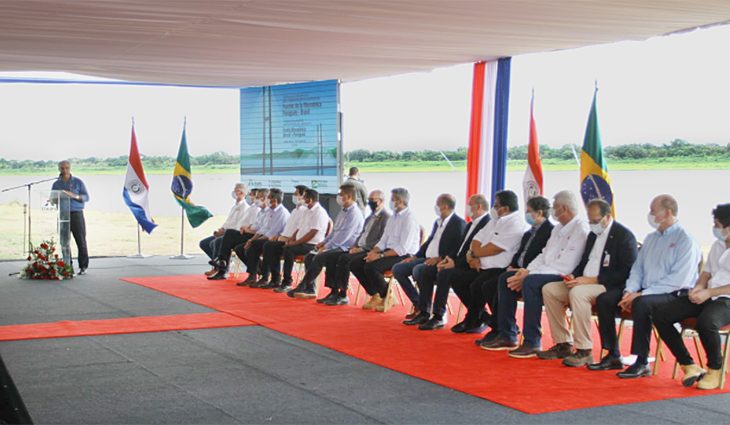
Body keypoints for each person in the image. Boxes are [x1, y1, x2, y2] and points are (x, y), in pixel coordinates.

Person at [483, 190, 589, 358]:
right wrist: (526, 270)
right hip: (544, 271)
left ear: (564, 208)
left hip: (564, 275)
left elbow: (566, 265)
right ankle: (507, 334)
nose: (552, 210)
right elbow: (544, 254)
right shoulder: (558, 228)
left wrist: (529, 275)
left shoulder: (580, 229)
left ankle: (532, 341)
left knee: (530, 282)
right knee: (505, 279)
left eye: (555, 207)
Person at [539, 199, 638, 367]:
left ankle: (584, 350)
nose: (592, 224)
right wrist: (574, 275)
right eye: (590, 221)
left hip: (607, 285)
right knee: (550, 290)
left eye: (595, 221)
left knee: (578, 293)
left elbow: (626, 272)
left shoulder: (623, 236)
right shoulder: (593, 235)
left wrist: (593, 280)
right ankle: (563, 343)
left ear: (607, 216)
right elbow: (584, 261)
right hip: (584, 281)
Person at [613, 195, 702, 378]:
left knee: (642, 304)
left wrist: (642, 294)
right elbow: (638, 268)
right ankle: (611, 354)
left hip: (675, 293)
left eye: (653, 211)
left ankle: (641, 361)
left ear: (667, 213)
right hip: (648, 292)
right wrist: (630, 291)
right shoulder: (651, 238)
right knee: (617, 300)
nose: (650, 215)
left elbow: (678, 279)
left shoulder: (685, 239)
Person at [653, 203, 730, 389]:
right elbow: (707, 272)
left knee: (707, 322)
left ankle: (715, 370)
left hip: (726, 299)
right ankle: (688, 365)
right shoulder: (718, 245)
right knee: (661, 314)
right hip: (707, 294)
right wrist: (698, 288)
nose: (714, 228)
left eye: (718, 225)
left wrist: (709, 292)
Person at [446, 190, 527, 333]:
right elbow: (476, 239)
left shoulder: (515, 223)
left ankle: (484, 322)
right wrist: (472, 256)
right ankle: (483, 318)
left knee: (479, 285)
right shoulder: (495, 221)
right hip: (480, 266)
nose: (493, 208)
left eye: (496, 205)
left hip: (499, 268)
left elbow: (494, 248)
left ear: (505, 208)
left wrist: (473, 254)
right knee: (456, 277)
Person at [407, 194, 490, 329]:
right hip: (458, 261)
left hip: (473, 265)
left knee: (446, 274)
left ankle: (439, 315)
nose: (467, 208)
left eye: (469, 205)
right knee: (426, 271)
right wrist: (448, 259)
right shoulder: (471, 224)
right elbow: (460, 248)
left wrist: (454, 263)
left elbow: (478, 251)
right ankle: (424, 312)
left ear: (479, 206)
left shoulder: (487, 224)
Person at [391, 193, 465, 325]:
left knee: (420, 270)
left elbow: (458, 248)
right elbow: (429, 241)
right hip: (426, 258)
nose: (435, 207)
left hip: (442, 261)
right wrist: (415, 256)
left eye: (438, 205)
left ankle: (427, 311)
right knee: (398, 269)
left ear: (445, 206)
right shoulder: (438, 222)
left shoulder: (458, 223)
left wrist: (440, 258)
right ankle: (419, 304)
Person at [351, 187, 420, 312]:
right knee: (355, 263)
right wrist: (374, 251)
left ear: (400, 201)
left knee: (371, 267)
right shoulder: (393, 217)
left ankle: (387, 295)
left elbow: (402, 248)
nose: (391, 202)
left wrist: (380, 256)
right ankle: (375, 294)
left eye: (393, 199)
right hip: (389, 251)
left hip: (404, 255)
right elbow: (384, 239)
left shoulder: (409, 219)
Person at [293, 185, 365, 303]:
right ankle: (323, 290)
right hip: (336, 245)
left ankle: (304, 285)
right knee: (310, 256)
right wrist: (323, 243)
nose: (339, 197)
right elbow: (334, 232)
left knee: (323, 256)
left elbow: (344, 237)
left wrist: (327, 247)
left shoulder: (354, 214)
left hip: (346, 247)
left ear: (349, 197)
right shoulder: (343, 211)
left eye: (341, 195)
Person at [327, 190, 390, 303]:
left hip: (370, 250)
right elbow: (361, 234)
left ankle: (343, 294)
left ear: (381, 201)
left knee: (347, 260)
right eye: (369, 200)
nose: (370, 202)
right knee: (333, 257)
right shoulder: (370, 217)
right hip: (359, 248)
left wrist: (360, 249)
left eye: (373, 200)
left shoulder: (386, 217)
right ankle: (334, 291)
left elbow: (382, 239)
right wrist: (354, 246)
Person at [243, 185, 308, 288]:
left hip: (285, 239)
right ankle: (255, 275)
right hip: (279, 238)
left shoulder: (284, 212)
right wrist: (253, 239)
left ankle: (270, 278)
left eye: (296, 194)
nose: (266, 200)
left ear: (274, 200)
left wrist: (283, 238)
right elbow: (263, 229)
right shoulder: (293, 211)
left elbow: (275, 232)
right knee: (255, 245)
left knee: (267, 245)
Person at [207, 188, 266, 280]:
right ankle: (221, 263)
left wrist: (247, 230)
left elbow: (261, 230)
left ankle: (222, 265)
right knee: (227, 237)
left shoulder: (256, 209)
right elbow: (253, 225)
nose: (251, 197)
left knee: (227, 237)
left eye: (256, 196)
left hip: (255, 236)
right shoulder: (254, 209)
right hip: (245, 232)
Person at [282, 189, 331, 297]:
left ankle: (288, 282)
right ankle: (285, 280)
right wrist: (292, 239)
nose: (302, 199)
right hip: (301, 243)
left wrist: (295, 243)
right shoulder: (306, 211)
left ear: (310, 199)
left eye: (304, 197)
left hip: (312, 244)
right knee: (285, 248)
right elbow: (299, 228)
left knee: (289, 250)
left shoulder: (319, 212)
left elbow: (312, 233)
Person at [200, 183, 249, 276]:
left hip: (232, 235)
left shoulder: (245, 208)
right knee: (204, 243)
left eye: (237, 190)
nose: (234, 192)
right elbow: (228, 222)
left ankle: (221, 269)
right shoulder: (235, 206)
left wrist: (224, 232)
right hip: (225, 232)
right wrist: (220, 229)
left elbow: (239, 226)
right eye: (234, 189)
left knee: (215, 242)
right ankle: (222, 263)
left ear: (243, 193)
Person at [51, 160, 90, 274]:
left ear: (70, 168)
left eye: (66, 168)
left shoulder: (78, 182)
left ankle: (83, 266)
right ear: (59, 169)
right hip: (63, 214)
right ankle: (68, 266)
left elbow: (86, 197)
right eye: (62, 168)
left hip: (76, 214)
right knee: (64, 242)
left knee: (81, 241)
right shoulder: (56, 184)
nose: (64, 170)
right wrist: (53, 199)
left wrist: (74, 196)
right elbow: (53, 199)